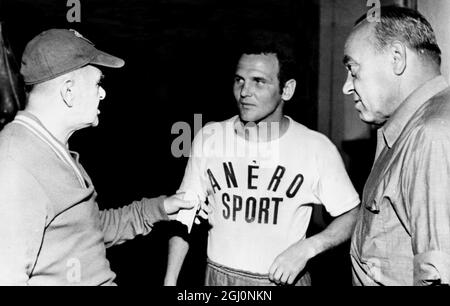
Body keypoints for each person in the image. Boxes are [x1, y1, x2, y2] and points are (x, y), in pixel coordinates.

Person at [164, 32, 360, 286]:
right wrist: (169, 281)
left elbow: (351, 213)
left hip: (282, 281)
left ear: (286, 90)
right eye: (239, 80)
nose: (245, 91)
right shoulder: (209, 137)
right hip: (219, 278)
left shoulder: (316, 147)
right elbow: (184, 214)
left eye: (259, 82)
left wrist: (309, 248)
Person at [0, 29, 193, 285]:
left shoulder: (51, 150)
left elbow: (86, 230)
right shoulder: (16, 163)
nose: (102, 93)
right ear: (68, 91)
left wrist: (161, 209)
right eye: (97, 83)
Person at [343, 6, 450, 286]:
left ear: (397, 58)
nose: (347, 86)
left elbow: (437, 278)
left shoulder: (431, 135)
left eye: (352, 70)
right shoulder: (407, 129)